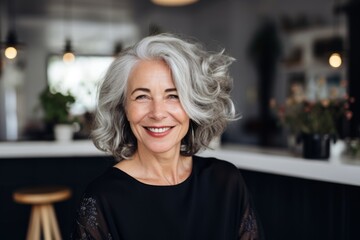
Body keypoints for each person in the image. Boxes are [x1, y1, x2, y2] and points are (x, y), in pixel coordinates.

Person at [71, 33, 261, 240]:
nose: (158, 113)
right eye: (142, 96)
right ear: (123, 107)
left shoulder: (226, 181)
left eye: (173, 96)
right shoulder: (102, 197)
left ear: (193, 104)